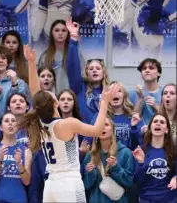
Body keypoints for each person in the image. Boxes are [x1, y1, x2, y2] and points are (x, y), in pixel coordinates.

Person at [18, 45, 118, 203]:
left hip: (50, 186)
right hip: (69, 184)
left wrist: (31, 64)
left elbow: (35, 93)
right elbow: (98, 131)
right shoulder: (67, 124)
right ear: (55, 103)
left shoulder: (40, 121)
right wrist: (104, 102)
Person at [83, 117, 134, 203]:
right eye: (100, 125)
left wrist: (116, 167)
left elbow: (129, 182)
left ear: (112, 130)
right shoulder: (90, 156)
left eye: (106, 125)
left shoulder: (125, 152)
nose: (102, 127)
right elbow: (86, 186)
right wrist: (90, 173)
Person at [132, 113, 177, 203]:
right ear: (150, 128)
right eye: (155, 121)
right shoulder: (141, 150)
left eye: (162, 122)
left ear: (167, 130)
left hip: (169, 198)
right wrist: (141, 163)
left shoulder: (173, 151)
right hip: (147, 198)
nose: (158, 123)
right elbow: (137, 181)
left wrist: (175, 178)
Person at [0, 112, 32, 203]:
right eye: (6, 121)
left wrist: (19, 164)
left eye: (13, 121)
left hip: (19, 199)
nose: (10, 123)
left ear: (17, 127)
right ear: (0, 127)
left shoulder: (25, 151)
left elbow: (27, 181)